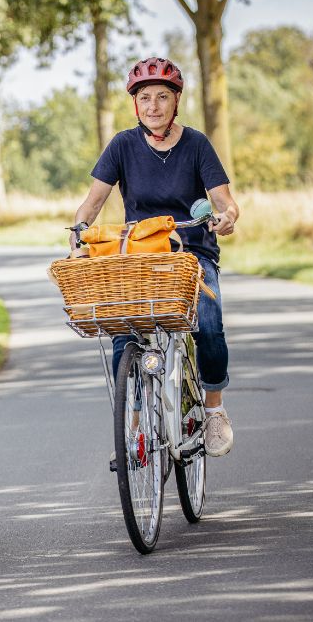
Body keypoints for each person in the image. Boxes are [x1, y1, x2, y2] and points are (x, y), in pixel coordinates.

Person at [72, 56, 240, 458]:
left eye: (162, 97)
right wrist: (79, 235)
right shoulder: (123, 145)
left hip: (190, 251)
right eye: (145, 98)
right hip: (140, 253)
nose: (153, 106)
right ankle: (132, 427)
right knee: (121, 330)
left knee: (210, 323)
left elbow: (225, 202)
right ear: (136, 103)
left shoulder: (197, 144)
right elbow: (91, 204)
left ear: (176, 100)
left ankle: (214, 410)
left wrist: (225, 219)